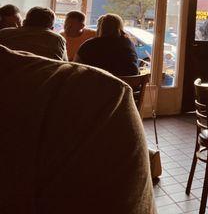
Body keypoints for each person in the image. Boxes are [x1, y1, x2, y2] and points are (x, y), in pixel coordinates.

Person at [0, 45, 156, 214]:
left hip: (79, 106)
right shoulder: (128, 50)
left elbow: (74, 64)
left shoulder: (89, 53)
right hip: (110, 114)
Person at [0, 6, 67, 60]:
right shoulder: (58, 39)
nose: (16, 26)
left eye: (18, 22)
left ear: (24, 22)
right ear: (51, 29)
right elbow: (65, 65)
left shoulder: (4, 34)